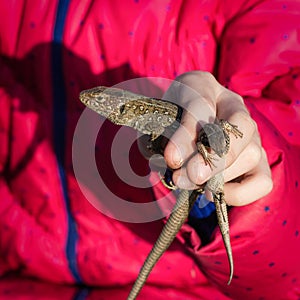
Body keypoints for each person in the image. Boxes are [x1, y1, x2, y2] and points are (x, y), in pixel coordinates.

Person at [0, 1, 299, 299]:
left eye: (98, 101)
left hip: (187, 288)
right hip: (23, 273)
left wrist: (249, 161)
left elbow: (289, 266)